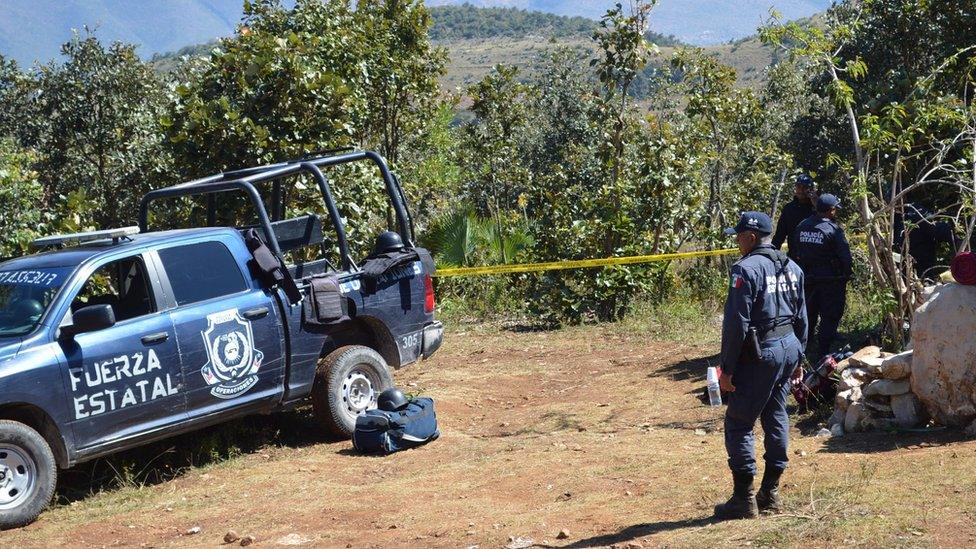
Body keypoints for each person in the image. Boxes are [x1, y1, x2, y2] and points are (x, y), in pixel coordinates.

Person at [715, 212, 807, 521]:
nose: (736, 242)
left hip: (761, 354)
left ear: (751, 238)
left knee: (740, 421)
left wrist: (726, 370)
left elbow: (736, 325)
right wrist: (799, 359)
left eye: (739, 236)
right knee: (776, 413)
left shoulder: (745, 269)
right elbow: (802, 316)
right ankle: (771, 492)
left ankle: (744, 499)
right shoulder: (792, 266)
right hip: (789, 348)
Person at [790, 194, 852, 359]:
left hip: (807, 280)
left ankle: (804, 348)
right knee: (829, 316)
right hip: (831, 281)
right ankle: (823, 352)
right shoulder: (834, 229)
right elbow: (845, 256)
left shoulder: (802, 226)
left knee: (807, 314)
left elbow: (795, 251)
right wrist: (847, 274)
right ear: (831, 210)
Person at [772, 174, 817, 259]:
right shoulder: (789, 208)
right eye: (798, 187)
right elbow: (779, 235)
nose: (801, 190)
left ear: (811, 189)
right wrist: (771, 255)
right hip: (794, 257)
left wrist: (816, 203)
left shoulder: (816, 208)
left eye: (805, 187)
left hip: (814, 259)